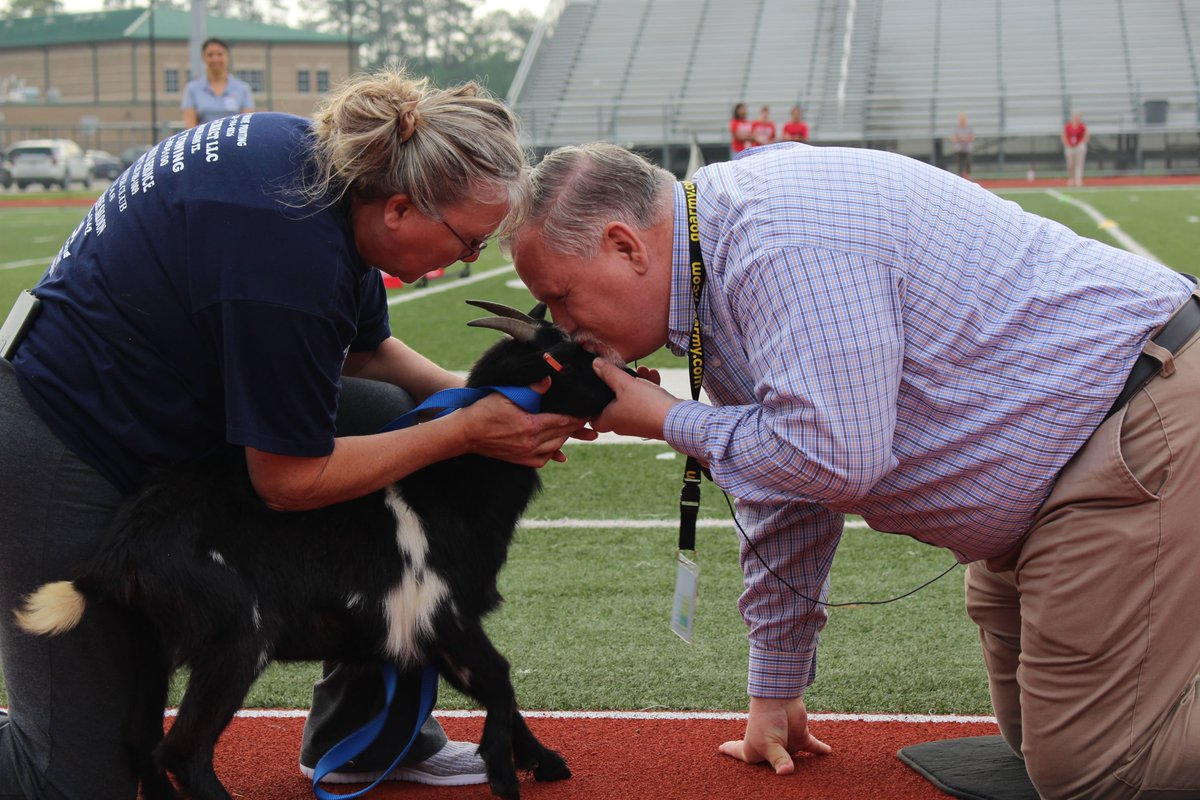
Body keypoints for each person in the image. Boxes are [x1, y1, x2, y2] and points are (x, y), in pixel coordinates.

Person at [507, 140, 1200, 800]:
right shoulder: (716, 257)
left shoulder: (778, 239)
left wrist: (665, 418)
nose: (563, 328)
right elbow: (792, 489)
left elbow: (832, 457)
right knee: (1034, 742)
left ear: (625, 245)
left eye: (563, 297)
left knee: (1102, 770)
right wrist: (775, 689)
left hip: (1136, 422)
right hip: (1075, 454)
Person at [0, 68, 593, 800]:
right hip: (63, 437)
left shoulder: (330, 172)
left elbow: (369, 350)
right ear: (403, 208)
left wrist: (482, 400)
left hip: (157, 406)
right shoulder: (289, 247)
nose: (464, 262)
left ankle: (364, 734)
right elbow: (285, 482)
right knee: (79, 780)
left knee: (385, 415)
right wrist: (468, 430)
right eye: (467, 243)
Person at [181, 37, 255, 128]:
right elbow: (190, 125)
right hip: (203, 140)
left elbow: (246, 123)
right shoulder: (192, 89)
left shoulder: (242, 88)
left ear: (227, 56)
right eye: (210, 55)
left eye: (220, 54)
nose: (215, 59)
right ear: (204, 58)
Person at [1063, 111, 1089, 187]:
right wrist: (1067, 143)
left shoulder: (1082, 126)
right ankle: (1071, 179)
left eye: (1077, 117)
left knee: (1079, 164)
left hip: (1079, 146)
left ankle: (1078, 179)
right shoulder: (1068, 126)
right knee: (1070, 164)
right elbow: (1064, 136)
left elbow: (1086, 136)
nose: (1075, 119)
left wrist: (1080, 143)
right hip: (1070, 147)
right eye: (1074, 117)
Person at [951, 112, 975, 178]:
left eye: (963, 120)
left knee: (968, 162)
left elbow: (972, 137)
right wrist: (960, 139)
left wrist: (965, 138)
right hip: (959, 149)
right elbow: (953, 139)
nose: (962, 122)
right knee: (959, 163)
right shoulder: (956, 129)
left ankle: (968, 175)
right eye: (961, 120)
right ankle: (960, 176)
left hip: (967, 149)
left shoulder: (969, 128)